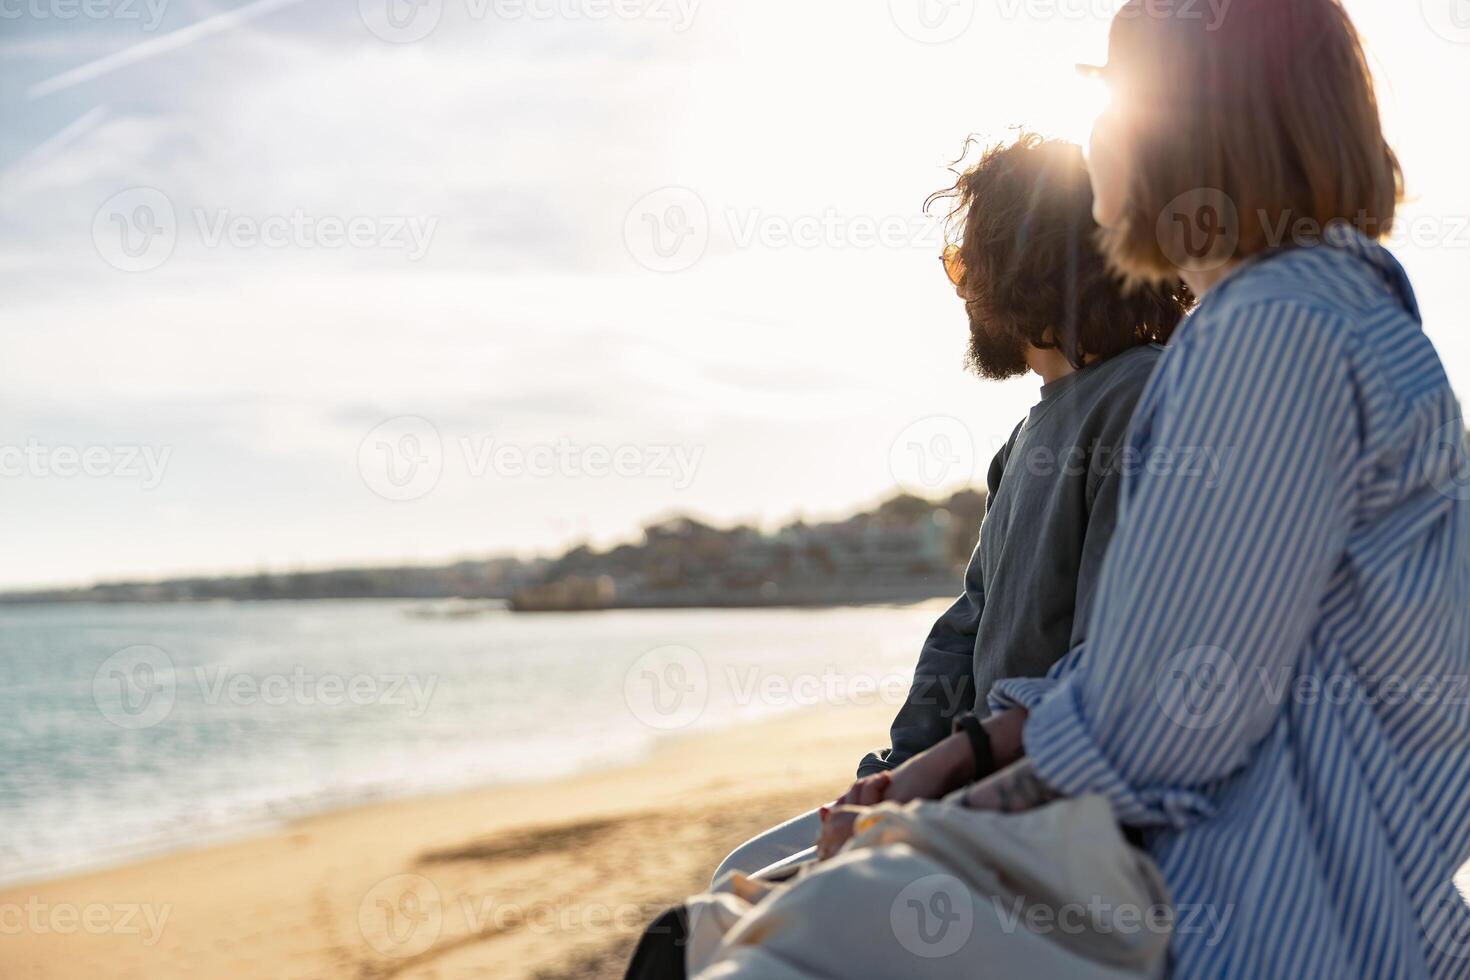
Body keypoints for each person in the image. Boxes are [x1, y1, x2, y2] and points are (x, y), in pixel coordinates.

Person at [630, 0, 1470, 975]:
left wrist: (950, 781)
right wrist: (936, 769)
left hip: (1257, 910)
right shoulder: (1334, 319)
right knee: (742, 915)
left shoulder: (1271, 334)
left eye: (1110, 92)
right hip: (1295, 877)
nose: (1101, 125)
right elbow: (1156, 666)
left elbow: (1162, 722)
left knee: (759, 944)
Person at [712, 133, 1191, 882]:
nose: (961, 289)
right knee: (742, 871)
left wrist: (933, 784)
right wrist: (885, 778)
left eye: (964, 264)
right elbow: (963, 634)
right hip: (961, 787)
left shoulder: (1142, 400)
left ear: (1020, 263)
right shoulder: (1026, 438)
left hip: (1057, 819)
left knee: (744, 907)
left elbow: (1107, 670)